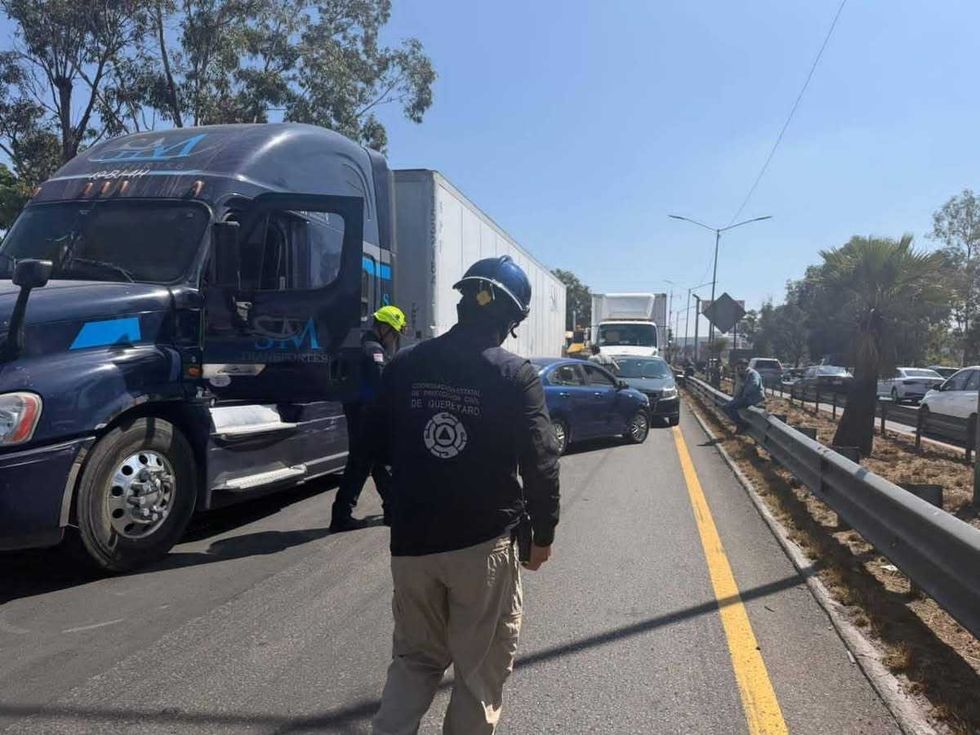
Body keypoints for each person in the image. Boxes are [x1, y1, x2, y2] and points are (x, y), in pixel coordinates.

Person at [369, 255, 561, 735]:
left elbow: (371, 446)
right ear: (511, 321)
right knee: (477, 673)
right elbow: (541, 459)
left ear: (462, 302)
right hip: (482, 546)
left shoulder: (405, 364)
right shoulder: (515, 375)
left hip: (412, 546)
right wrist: (543, 533)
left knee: (414, 661)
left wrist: (398, 505)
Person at [329, 305, 407, 532]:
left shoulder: (359, 345)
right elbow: (382, 385)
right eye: (394, 332)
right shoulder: (374, 350)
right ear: (384, 328)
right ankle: (342, 515)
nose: (394, 338)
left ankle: (392, 510)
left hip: (358, 411)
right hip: (367, 415)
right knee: (363, 463)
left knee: (375, 462)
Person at [723, 358, 765, 433]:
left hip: (754, 398)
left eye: (742, 367)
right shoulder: (740, 375)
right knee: (726, 407)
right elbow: (737, 389)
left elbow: (753, 385)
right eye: (738, 368)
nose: (740, 369)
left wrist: (742, 395)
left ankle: (742, 424)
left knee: (728, 407)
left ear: (746, 366)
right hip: (746, 398)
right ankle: (740, 425)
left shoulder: (752, 374)